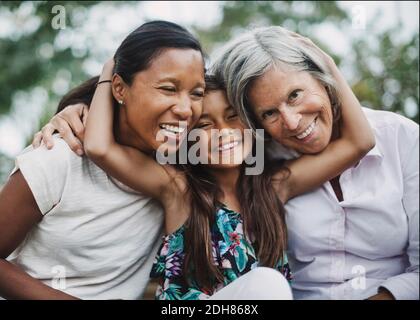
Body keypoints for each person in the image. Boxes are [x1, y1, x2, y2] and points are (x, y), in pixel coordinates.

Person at [34, 36, 374, 300]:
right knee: (268, 284)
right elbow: (98, 146)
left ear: (252, 125)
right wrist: (111, 72)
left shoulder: (275, 185)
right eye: (205, 125)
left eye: (231, 118)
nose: (223, 133)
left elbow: (360, 141)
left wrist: (325, 64)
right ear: (187, 138)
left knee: (267, 285)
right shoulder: (177, 187)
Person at [0, 20, 206, 300]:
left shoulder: (187, 167)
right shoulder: (60, 157)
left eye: (196, 94)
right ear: (119, 88)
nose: (185, 109)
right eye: (168, 89)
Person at [210, 26, 419, 300]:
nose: (292, 122)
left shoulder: (400, 137)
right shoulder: (266, 169)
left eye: (295, 94)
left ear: (324, 79)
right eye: (269, 113)